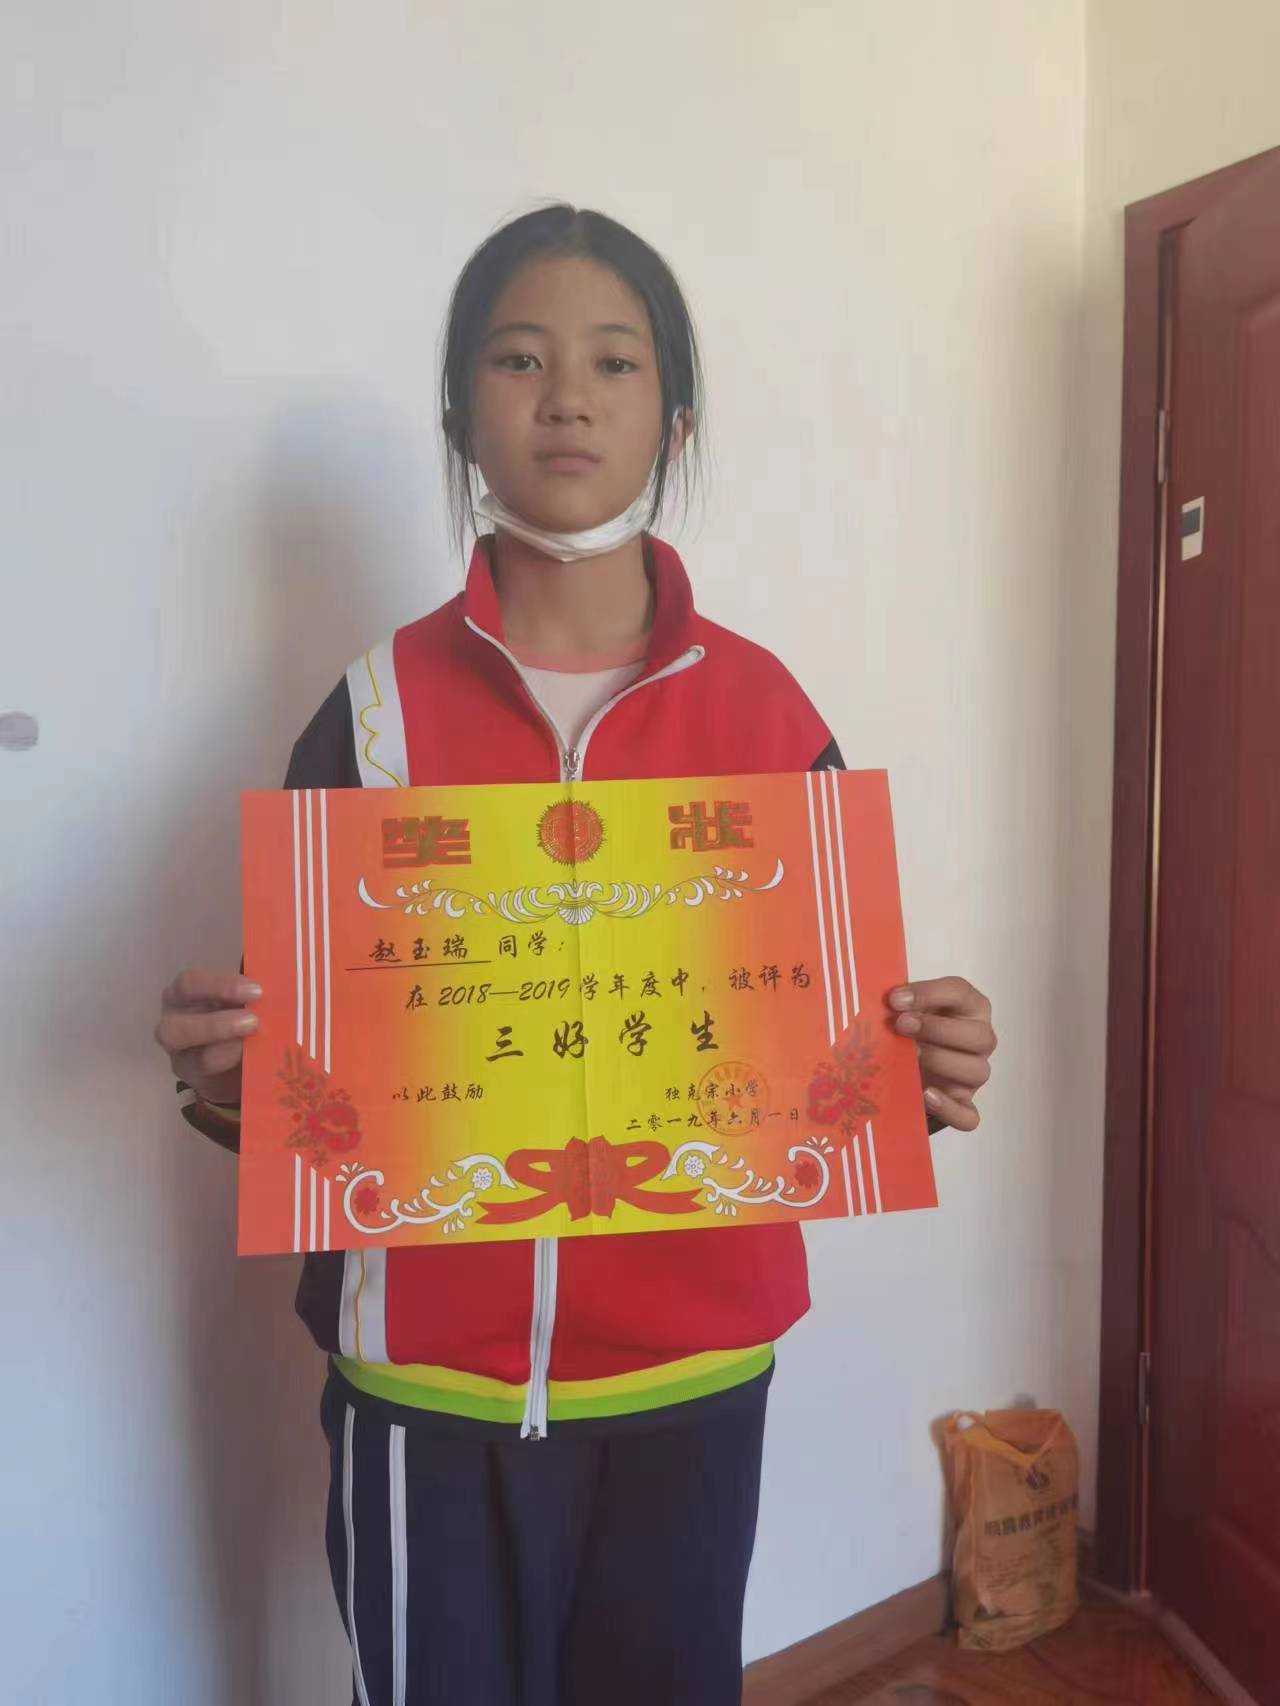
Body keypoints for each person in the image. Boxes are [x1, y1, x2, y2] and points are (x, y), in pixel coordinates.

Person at [154, 205, 997, 1706]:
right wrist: (224, 1077)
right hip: (422, 1383)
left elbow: (812, 1051)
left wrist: (920, 1068)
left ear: (675, 417)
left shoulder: (766, 714)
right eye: (518, 359)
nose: (567, 398)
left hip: (695, 1378)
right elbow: (297, 1083)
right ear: (459, 413)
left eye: (614, 361)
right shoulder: (371, 715)